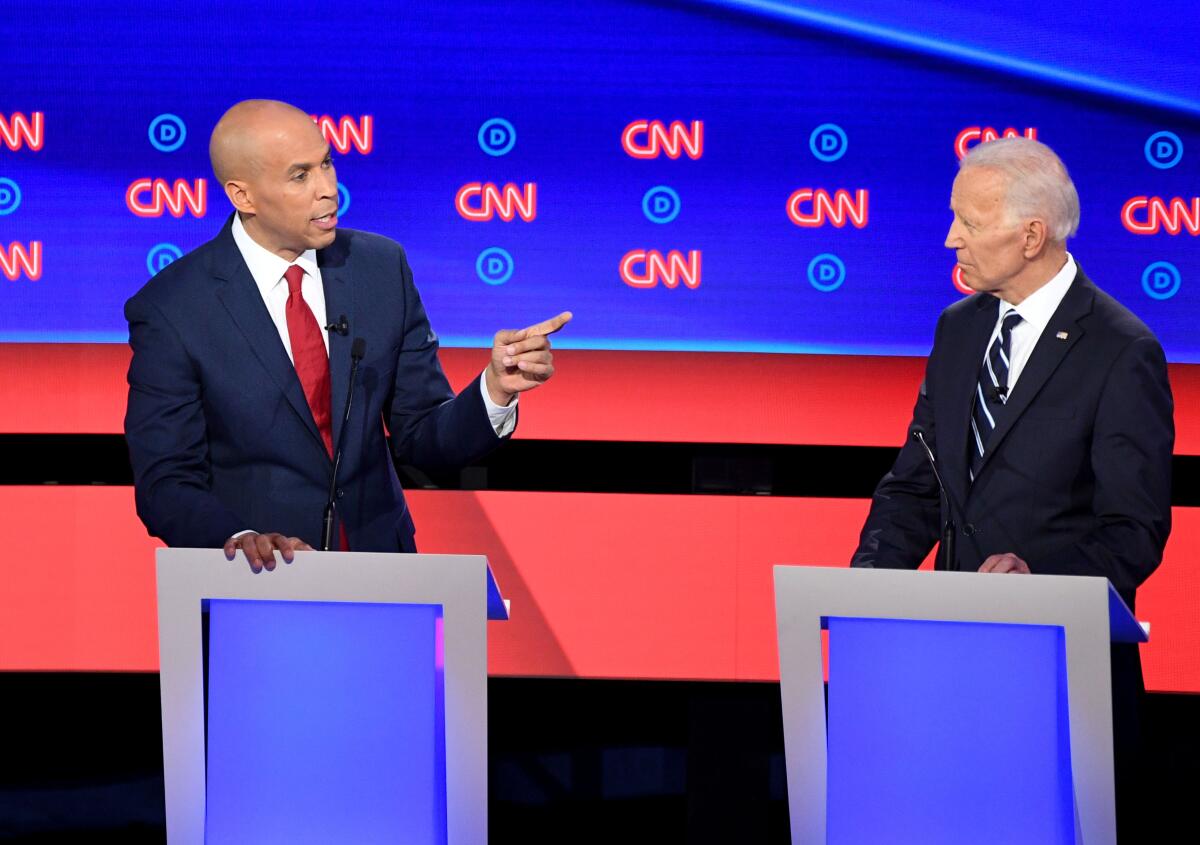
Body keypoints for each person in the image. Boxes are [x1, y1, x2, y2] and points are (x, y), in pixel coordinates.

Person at [851, 136, 1173, 838]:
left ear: (1031, 235)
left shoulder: (1123, 349)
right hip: (952, 672)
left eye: (968, 221)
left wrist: (1041, 581)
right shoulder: (958, 329)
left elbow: (1135, 528)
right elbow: (916, 484)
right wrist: (865, 590)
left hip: (1063, 682)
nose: (950, 238)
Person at [125, 99, 570, 573]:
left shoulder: (380, 269)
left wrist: (495, 389)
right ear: (243, 196)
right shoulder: (173, 308)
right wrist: (239, 539)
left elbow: (421, 438)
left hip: (380, 571)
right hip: (256, 587)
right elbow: (167, 483)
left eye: (327, 164)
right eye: (300, 176)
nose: (329, 190)